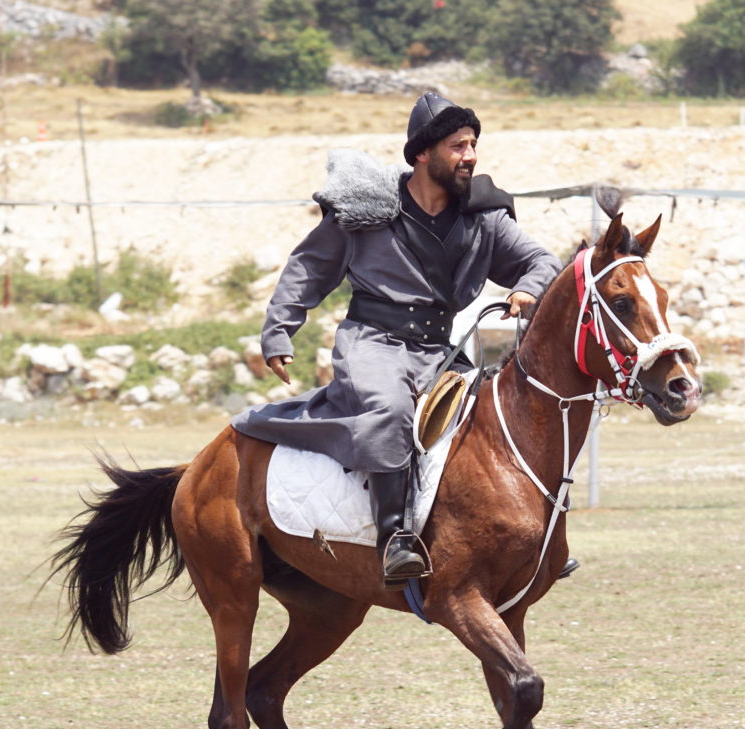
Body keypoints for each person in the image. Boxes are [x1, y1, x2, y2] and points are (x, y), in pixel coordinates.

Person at [232, 91, 562, 589]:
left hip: (441, 349)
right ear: (423, 153)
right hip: (373, 342)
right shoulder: (366, 209)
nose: (470, 155)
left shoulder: (484, 216)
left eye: (473, 144)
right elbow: (309, 269)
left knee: (489, 421)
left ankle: (520, 541)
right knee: (389, 409)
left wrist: (526, 288)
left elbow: (542, 262)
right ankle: (395, 540)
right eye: (458, 145)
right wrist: (279, 329)